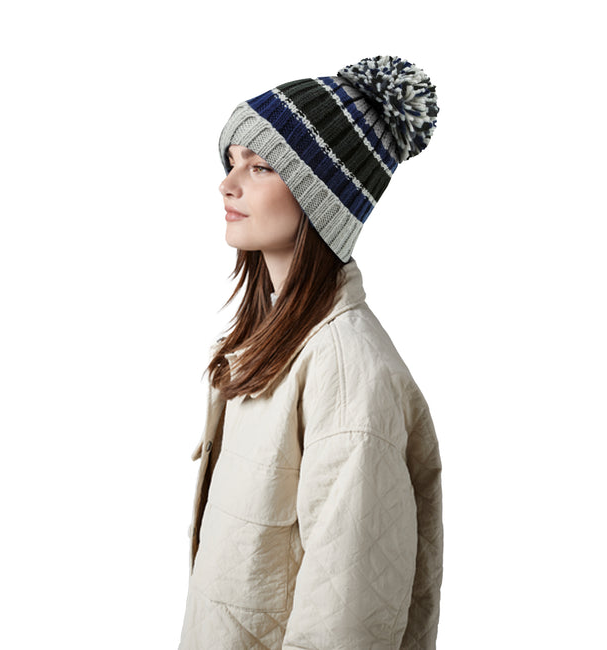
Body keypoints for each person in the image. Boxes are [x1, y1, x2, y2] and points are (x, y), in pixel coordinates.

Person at [178, 55, 443, 650]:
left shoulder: (348, 372)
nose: (228, 183)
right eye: (231, 162)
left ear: (320, 197)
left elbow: (346, 622)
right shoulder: (271, 343)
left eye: (261, 166)